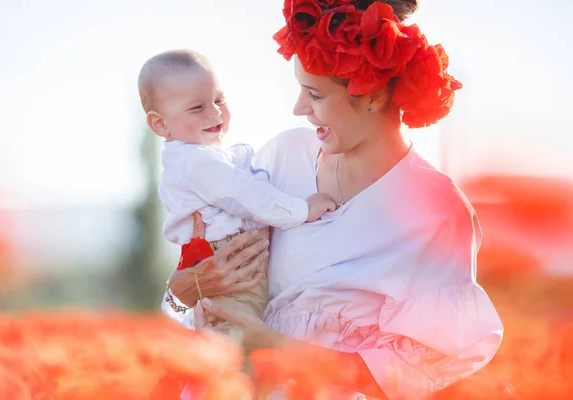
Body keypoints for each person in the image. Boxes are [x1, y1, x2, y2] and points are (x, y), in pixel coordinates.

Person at [162, 1, 504, 398]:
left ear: (371, 93)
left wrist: (278, 349)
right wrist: (181, 291)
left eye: (315, 94)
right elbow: (212, 284)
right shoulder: (282, 157)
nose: (298, 108)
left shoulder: (437, 210)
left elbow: (416, 371)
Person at [138, 49, 336, 340]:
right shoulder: (197, 162)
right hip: (229, 265)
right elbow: (246, 196)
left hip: (224, 262)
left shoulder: (196, 158)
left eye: (219, 100)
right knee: (238, 341)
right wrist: (303, 210)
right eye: (197, 108)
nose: (215, 113)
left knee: (234, 334)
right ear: (160, 124)